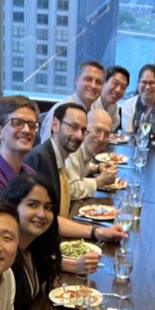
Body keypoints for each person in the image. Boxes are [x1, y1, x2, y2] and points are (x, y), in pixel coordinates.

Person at [25, 102, 126, 244]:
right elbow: (49, 221)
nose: (79, 136)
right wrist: (97, 232)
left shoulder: (57, 156)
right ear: (55, 125)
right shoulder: (41, 160)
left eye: (83, 130)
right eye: (73, 127)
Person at [0, 174, 78, 310]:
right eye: (32, 205)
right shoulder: (4, 257)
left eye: (48, 207)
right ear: (13, 206)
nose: (42, 214)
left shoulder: (34, 248)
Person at [39, 59, 105, 141]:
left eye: (98, 82)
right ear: (77, 80)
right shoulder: (62, 110)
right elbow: (47, 148)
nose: (93, 85)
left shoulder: (93, 111)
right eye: (88, 79)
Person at [64, 108, 118, 200]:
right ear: (85, 129)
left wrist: (98, 168)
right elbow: (70, 190)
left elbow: (78, 167)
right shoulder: (73, 149)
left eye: (106, 134)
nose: (101, 138)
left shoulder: (85, 149)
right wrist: (99, 181)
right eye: (97, 130)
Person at [94, 64, 129, 131]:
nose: (118, 90)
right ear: (104, 82)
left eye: (123, 87)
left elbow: (112, 130)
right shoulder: (91, 103)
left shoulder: (114, 107)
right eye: (115, 83)